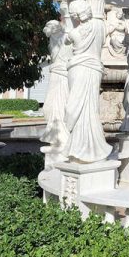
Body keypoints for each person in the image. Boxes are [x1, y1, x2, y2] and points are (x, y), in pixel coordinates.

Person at [64, 0, 112, 163]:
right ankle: (92, 148)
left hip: (78, 69)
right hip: (93, 69)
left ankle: (79, 148)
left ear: (75, 15)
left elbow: (66, 40)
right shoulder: (100, 26)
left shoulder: (73, 33)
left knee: (79, 107)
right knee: (90, 109)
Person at [40, 20, 70, 166]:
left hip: (63, 76)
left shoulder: (66, 39)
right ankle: (56, 135)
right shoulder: (52, 41)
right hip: (55, 74)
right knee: (48, 108)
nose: (48, 31)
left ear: (57, 29)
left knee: (62, 105)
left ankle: (62, 138)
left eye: (51, 28)